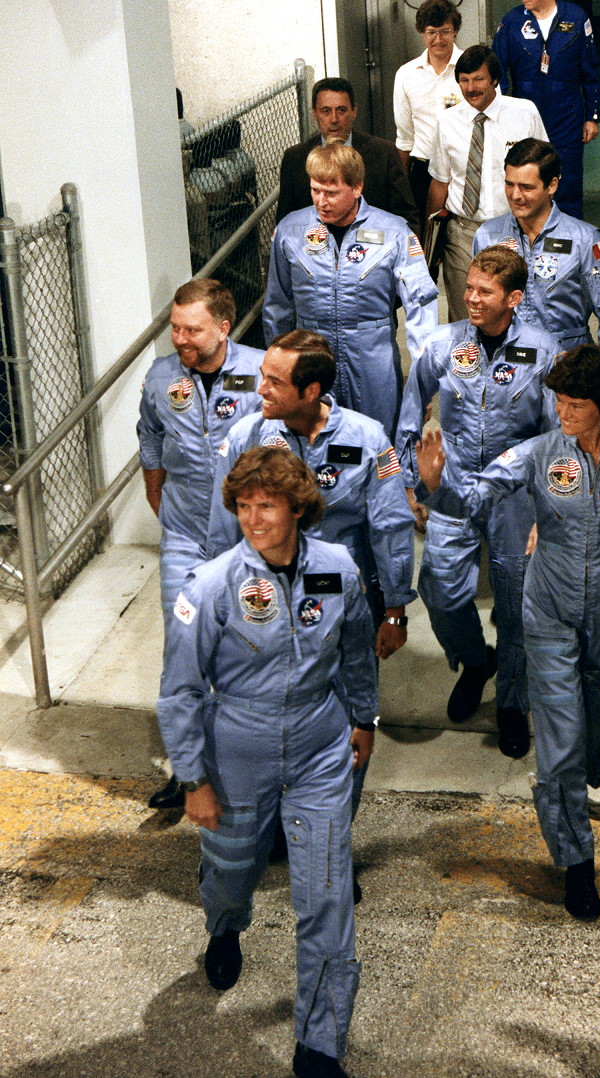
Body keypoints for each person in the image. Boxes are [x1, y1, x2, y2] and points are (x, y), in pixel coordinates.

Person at [415, 344, 600, 920]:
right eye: (559, 402)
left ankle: (579, 782)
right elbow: (476, 498)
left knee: (595, 726)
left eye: (574, 404)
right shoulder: (538, 454)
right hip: (547, 605)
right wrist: (436, 486)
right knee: (561, 743)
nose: (562, 412)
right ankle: (577, 864)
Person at [158, 446, 376, 1078]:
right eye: (245, 507)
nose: (254, 519)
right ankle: (225, 926)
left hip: (318, 749)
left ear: (297, 508)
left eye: (267, 506)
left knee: (328, 898)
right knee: (230, 875)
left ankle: (319, 1048)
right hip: (236, 751)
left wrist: (364, 719)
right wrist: (193, 779)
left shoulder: (338, 568)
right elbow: (179, 691)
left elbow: (357, 649)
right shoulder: (210, 585)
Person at [206, 331, 416, 838]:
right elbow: (221, 531)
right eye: (262, 377)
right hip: (263, 606)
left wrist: (394, 610)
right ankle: (272, 828)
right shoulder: (246, 438)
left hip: (343, 607)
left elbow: (390, 527)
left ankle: (328, 838)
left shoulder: (367, 439)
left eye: (274, 382)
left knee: (348, 721)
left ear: (311, 390)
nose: (261, 389)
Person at [396, 247, 560, 756]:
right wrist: (411, 483)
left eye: (485, 292)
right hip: (454, 482)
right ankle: (474, 660)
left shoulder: (543, 351)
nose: (471, 298)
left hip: (515, 493)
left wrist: (548, 511)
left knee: (515, 605)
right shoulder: (443, 345)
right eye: (468, 288)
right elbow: (409, 412)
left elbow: (556, 437)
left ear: (514, 298)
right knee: (440, 590)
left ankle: (511, 700)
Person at [137, 278, 264, 810]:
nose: (180, 339)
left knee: (246, 651)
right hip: (185, 537)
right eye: (175, 328)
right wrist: (157, 494)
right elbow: (149, 435)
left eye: (192, 330)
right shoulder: (161, 376)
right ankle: (187, 768)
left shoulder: (262, 371)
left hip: (245, 542)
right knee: (182, 649)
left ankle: (243, 764)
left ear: (223, 327)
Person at [263, 140, 438, 439]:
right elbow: (277, 306)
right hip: (310, 360)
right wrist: (278, 370)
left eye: (331, 193)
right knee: (311, 444)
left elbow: (421, 307)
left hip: (373, 360)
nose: (321, 201)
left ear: (357, 187)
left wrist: (423, 381)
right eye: (315, 190)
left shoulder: (394, 232)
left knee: (380, 441)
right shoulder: (290, 231)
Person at [473, 138, 600, 365]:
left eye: (526, 187)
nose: (515, 195)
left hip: (566, 365)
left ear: (552, 186)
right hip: (505, 366)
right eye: (509, 184)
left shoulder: (585, 240)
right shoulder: (488, 235)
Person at [426, 45, 547, 324]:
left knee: (519, 312)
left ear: (494, 80)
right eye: (464, 80)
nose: (471, 88)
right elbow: (440, 183)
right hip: (463, 233)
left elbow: (544, 173)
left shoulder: (524, 112)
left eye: (478, 79)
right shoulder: (446, 121)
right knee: (466, 316)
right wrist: (431, 243)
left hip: (515, 230)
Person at [492, 0, 600, 219]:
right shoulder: (512, 22)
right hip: (525, 116)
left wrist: (592, 116)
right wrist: (499, 112)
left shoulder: (575, 18)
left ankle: (570, 238)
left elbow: (590, 71)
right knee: (526, 185)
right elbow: (497, 72)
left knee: (567, 183)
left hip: (567, 116)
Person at [277, 76, 420, 236]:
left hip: (375, 246)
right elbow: (285, 223)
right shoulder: (295, 158)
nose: (334, 119)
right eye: (326, 111)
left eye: (341, 110)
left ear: (354, 111)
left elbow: (406, 216)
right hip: (314, 246)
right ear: (314, 113)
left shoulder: (383, 153)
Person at [393, 0, 464, 242]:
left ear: (455, 31)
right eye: (431, 32)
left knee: (460, 242)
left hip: (461, 170)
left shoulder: (472, 70)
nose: (438, 39)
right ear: (422, 33)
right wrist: (403, 188)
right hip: (423, 171)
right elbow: (404, 138)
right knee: (425, 244)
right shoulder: (406, 75)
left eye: (445, 31)